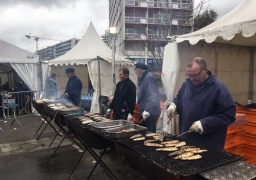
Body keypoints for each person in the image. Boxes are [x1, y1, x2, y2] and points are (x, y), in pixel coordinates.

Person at [167, 57, 236, 150]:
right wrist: (174, 105)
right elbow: (179, 99)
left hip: (208, 145)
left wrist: (204, 124)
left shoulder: (218, 88)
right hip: (186, 141)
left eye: (195, 75)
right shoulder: (186, 84)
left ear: (205, 70)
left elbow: (228, 115)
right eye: (189, 75)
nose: (192, 79)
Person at [134, 63, 160, 132]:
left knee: (149, 133)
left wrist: (147, 110)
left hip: (150, 113)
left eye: (135, 71)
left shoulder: (148, 79)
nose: (135, 73)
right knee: (144, 132)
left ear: (139, 71)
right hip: (146, 112)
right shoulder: (144, 79)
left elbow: (153, 96)